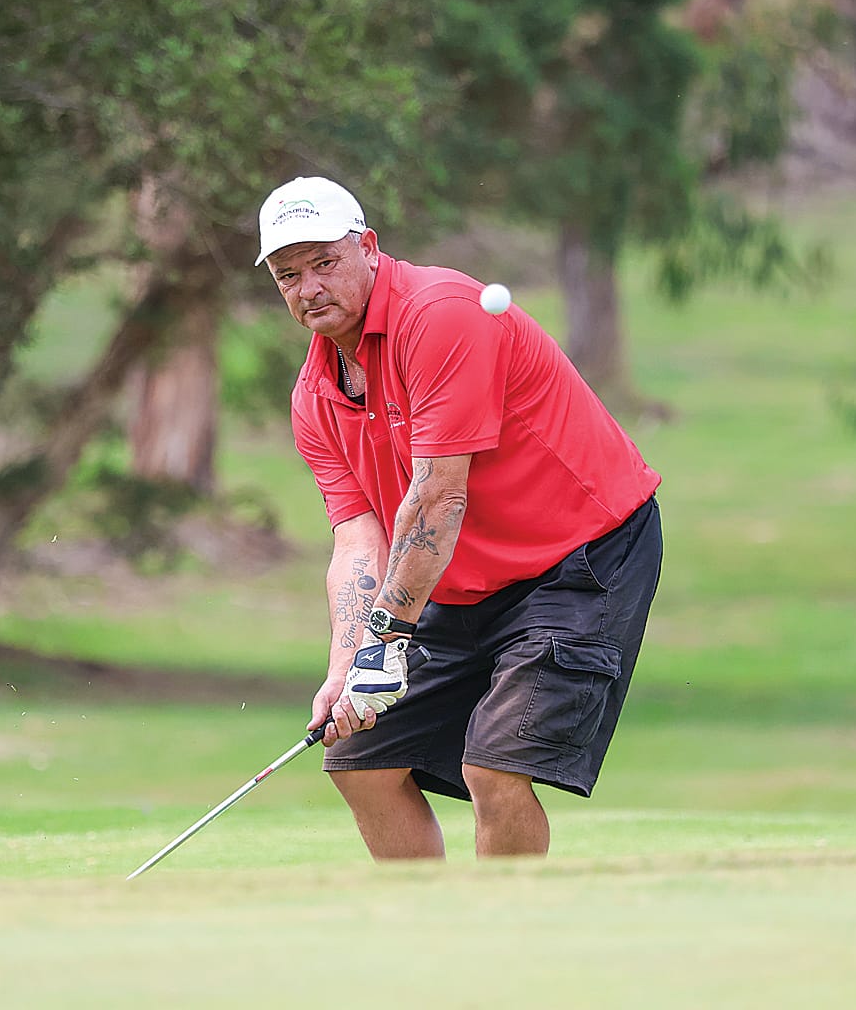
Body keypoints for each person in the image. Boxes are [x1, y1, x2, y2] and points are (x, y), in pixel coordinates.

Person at [256, 175, 663, 858]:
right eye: (287, 275)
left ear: (369, 247)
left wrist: (384, 643)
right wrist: (348, 664)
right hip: (453, 575)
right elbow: (360, 540)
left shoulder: (440, 313)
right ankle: (426, 937)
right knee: (360, 756)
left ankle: (504, 944)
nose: (308, 287)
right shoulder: (316, 395)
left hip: (578, 559)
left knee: (494, 767)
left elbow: (438, 495)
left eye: (324, 262)